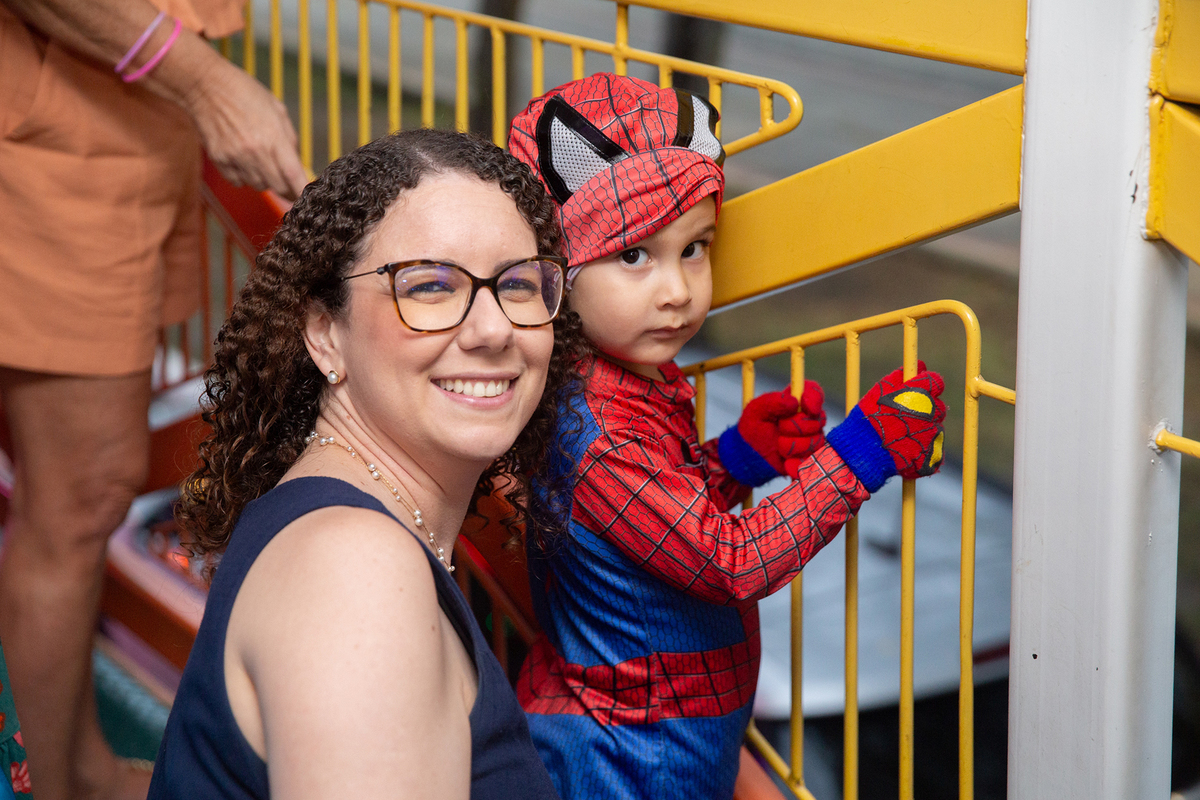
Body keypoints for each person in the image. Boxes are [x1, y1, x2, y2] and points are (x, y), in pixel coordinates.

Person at [507, 73, 948, 800]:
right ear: (555, 272)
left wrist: (736, 459)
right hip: (627, 752)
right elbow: (727, 563)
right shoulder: (600, 429)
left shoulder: (623, 379)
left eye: (695, 247)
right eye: (633, 255)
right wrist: (863, 452)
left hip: (662, 731)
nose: (678, 291)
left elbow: (649, 531)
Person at [148, 128, 587, 798]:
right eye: (431, 286)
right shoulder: (355, 570)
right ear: (325, 332)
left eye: (519, 283)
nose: (494, 328)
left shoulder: (348, 526)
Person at [0, 0, 305, 797]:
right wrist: (204, 82)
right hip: (60, 123)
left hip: (122, 110)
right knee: (78, 498)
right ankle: (58, 783)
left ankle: (79, 769)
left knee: (74, 496)